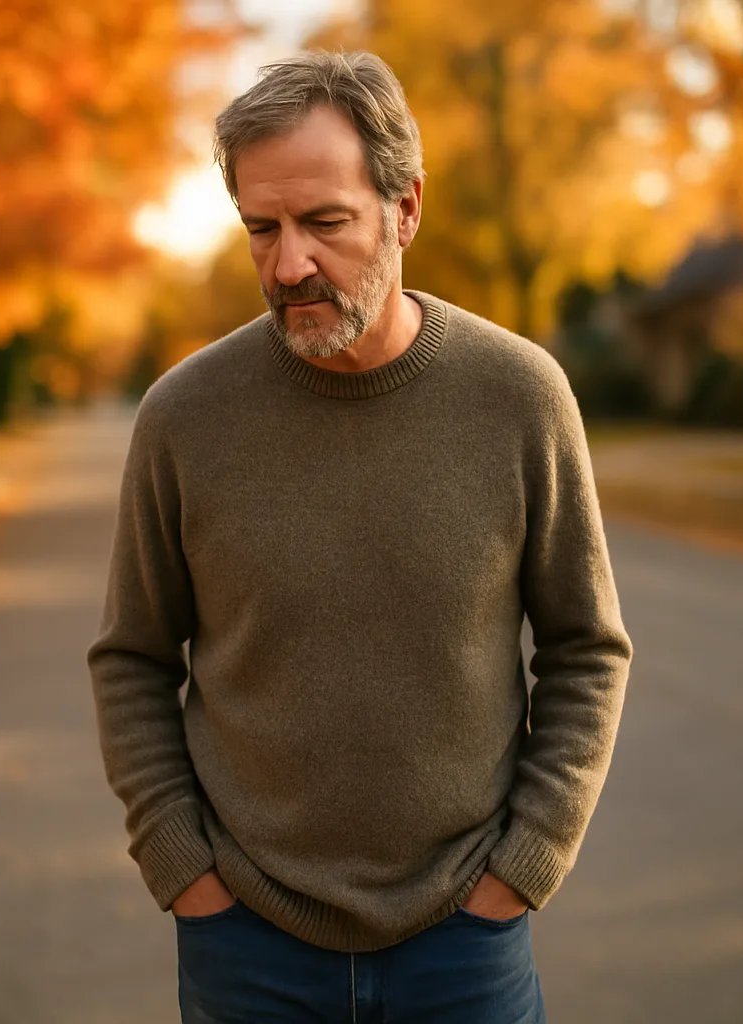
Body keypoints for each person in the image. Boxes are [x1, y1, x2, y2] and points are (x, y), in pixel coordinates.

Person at [87, 49, 632, 1024]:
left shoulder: (519, 398)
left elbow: (587, 646)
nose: (287, 263)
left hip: (465, 943)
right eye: (262, 227)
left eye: (323, 222)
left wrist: (523, 864)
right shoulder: (183, 418)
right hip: (244, 943)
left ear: (406, 207)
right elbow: (130, 657)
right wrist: (186, 873)